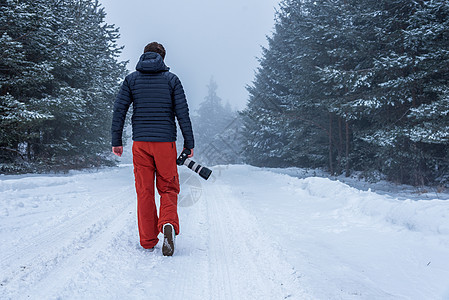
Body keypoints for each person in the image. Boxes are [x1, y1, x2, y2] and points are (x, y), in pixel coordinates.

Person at [111, 42, 194, 256]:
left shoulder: (131, 80)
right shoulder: (172, 80)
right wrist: (189, 144)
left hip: (140, 143)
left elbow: (119, 110)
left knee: (144, 191)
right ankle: (167, 224)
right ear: (163, 58)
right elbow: (182, 114)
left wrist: (116, 140)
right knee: (168, 187)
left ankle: (148, 240)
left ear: (144, 54)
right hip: (165, 143)